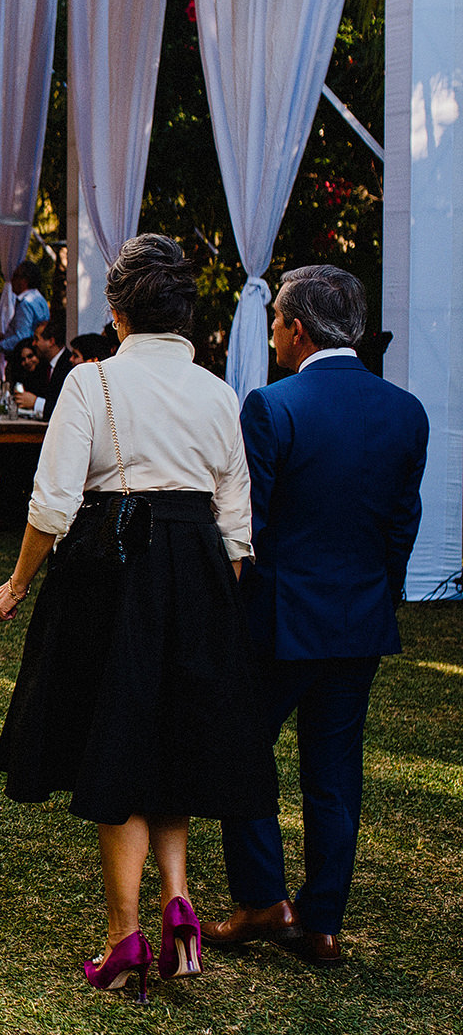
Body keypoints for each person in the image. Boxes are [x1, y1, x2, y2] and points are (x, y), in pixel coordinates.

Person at [0, 234, 275, 999]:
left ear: (117, 313)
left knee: (115, 745)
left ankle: (124, 940)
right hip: (200, 571)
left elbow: (52, 503)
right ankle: (179, 902)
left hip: (113, 574)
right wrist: (213, 594)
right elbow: (236, 522)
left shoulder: (92, 384)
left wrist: (16, 584)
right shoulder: (218, 393)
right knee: (171, 736)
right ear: (185, 315)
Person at [205, 266, 428, 967]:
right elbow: (401, 528)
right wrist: (376, 600)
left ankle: (264, 897)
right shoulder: (406, 411)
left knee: (242, 751)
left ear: (296, 329)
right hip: (359, 621)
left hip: (277, 623)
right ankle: (324, 921)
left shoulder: (271, 407)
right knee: (335, 772)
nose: (271, 329)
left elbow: (250, 529)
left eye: (274, 317)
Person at [14, 320, 74, 421]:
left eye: (37, 339)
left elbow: (66, 408)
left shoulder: (68, 365)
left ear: (51, 341)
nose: (34, 343)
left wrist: (35, 402)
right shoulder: (45, 366)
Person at [0, 262, 50, 364]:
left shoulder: (26, 303)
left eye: (15, 276)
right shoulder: (39, 299)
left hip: (24, 360)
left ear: (24, 281)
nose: (12, 280)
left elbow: (22, 337)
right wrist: (5, 337)